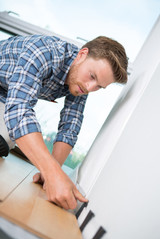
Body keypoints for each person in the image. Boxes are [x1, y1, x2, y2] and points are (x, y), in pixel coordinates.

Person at [0, 35, 128, 210]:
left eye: (99, 86)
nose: (90, 88)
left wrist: (52, 172)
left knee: (3, 142)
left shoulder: (81, 83)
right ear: (82, 54)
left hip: (5, 95)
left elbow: (70, 127)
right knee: (14, 130)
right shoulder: (44, 52)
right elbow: (19, 109)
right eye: (92, 76)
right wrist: (52, 173)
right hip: (10, 97)